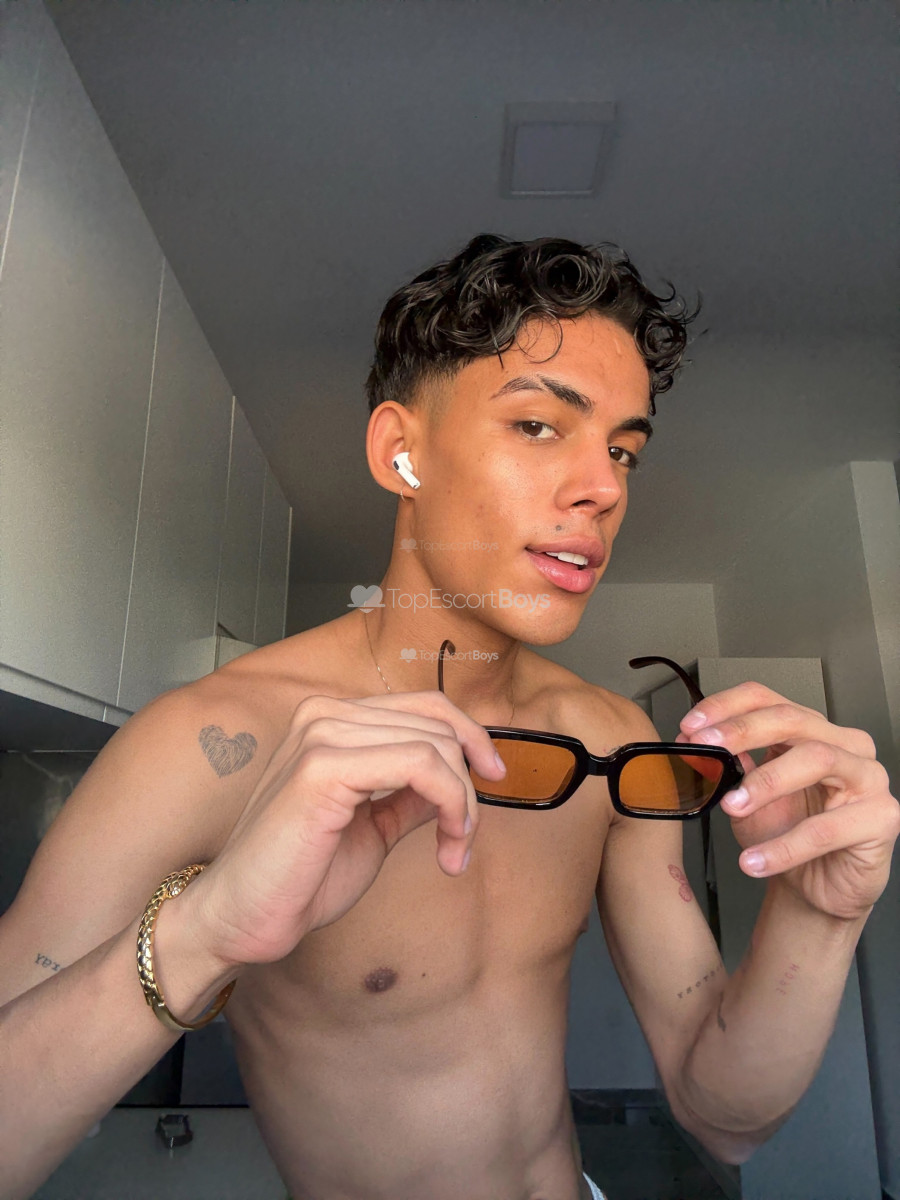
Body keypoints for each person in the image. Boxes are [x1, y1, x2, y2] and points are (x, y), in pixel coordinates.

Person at [1, 234, 897, 1200]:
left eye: (623, 451)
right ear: (402, 453)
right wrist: (204, 933)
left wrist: (818, 916)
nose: (605, 489)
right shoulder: (208, 745)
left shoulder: (611, 746)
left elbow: (724, 1118)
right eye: (540, 426)